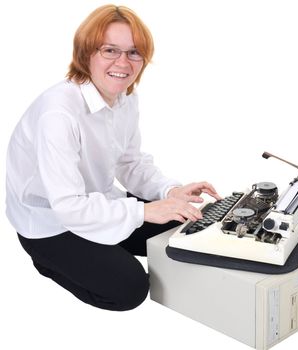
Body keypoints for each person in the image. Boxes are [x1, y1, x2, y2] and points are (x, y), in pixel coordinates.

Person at [6, 4, 221, 311]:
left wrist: (169, 192)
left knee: (186, 223)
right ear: (86, 53)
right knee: (130, 290)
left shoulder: (126, 97)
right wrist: (143, 212)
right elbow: (68, 206)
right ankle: (48, 262)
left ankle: (108, 239)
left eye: (134, 52)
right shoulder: (57, 113)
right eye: (110, 50)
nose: (124, 62)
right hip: (51, 223)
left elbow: (129, 163)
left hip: (99, 203)